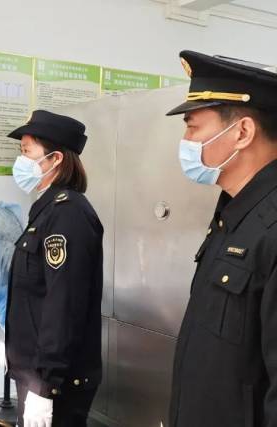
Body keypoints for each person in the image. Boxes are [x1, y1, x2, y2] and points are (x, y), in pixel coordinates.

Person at [166, 50, 277, 426]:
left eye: (193, 127)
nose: (185, 141)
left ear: (242, 132)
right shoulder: (232, 215)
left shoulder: (270, 226)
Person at [5, 110, 104, 427]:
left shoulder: (68, 214)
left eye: (27, 151)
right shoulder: (47, 209)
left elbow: (64, 304)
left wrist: (46, 385)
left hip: (53, 383)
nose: (21, 161)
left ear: (55, 158)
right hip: (35, 374)